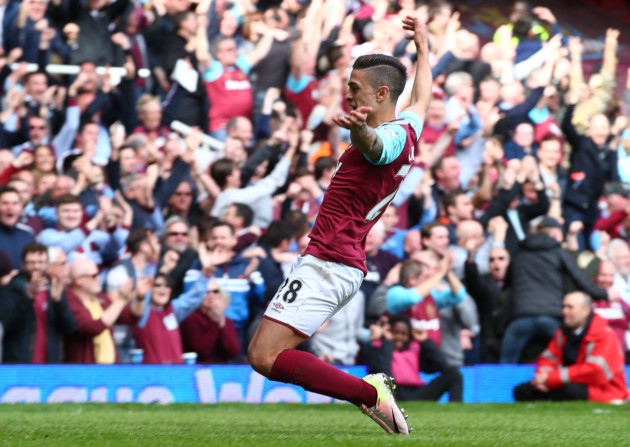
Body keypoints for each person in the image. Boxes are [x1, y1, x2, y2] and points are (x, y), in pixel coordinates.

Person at [247, 16, 431, 435]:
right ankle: (370, 394)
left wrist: (362, 131)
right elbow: (423, 94)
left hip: (330, 262)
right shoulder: (410, 124)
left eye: (355, 88)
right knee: (264, 354)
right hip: (335, 259)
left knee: (265, 356)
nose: (348, 94)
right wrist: (422, 45)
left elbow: (377, 147)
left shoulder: (390, 139)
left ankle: (371, 395)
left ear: (381, 93)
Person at [513, 291, 629, 403]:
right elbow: (548, 358)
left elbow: (595, 372)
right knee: (521, 390)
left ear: (585, 311)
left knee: (569, 391)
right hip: (564, 383)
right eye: (563, 307)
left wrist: (551, 379)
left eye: (570, 307)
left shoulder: (604, 335)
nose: (564, 311)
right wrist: (543, 379)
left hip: (604, 390)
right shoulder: (562, 333)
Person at [365, 314, 463, 402]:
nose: (399, 337)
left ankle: (456, 410)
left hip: (416, 393)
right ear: (388, 332)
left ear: (409, 335)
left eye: (403, 334)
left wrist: (425, 341)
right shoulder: (378, 347)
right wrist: (388, 342)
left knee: (454, 374)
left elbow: (442, 365)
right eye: (395, 333)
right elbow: (382, 371)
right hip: (392, 393)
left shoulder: (414, 349)